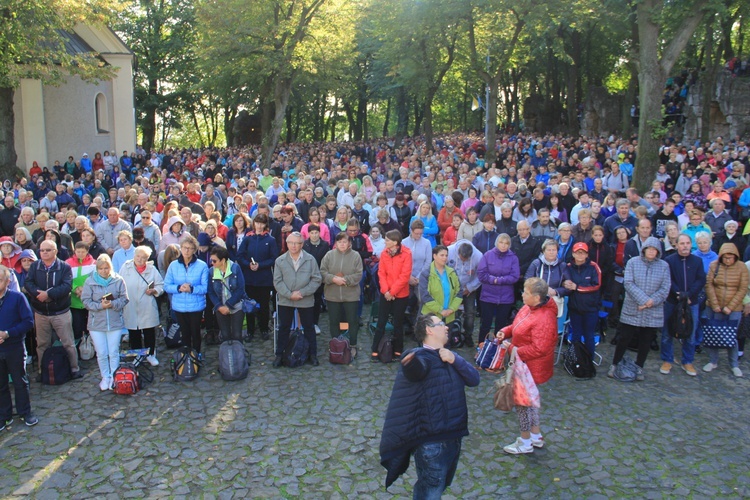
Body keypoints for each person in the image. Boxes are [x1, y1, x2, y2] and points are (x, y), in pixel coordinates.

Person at [379, 313, 480, 497]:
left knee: (437, 487)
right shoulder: (420, 356)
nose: (447, 327)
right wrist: (410, 362)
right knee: (431, 491)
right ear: (429, 330)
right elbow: (416, 369)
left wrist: (455, 359)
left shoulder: (451, 356)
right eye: (441, 324)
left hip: (454, 436)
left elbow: (474, 379)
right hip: (432, 444)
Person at [496, 277, 557, 454]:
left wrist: (513, 348)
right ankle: (536, 436)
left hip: (529, 368)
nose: (522, 294)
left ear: (537, 298)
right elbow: (518, 326)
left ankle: (524, 441)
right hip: (525, 365)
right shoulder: (529, 307)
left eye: (526, 292)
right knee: (530, 402)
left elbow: (540, 348)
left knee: (522, 403)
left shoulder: (544, 318)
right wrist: (505, 331)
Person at [608, 237, 670, 381]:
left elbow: (665, 288)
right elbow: (628, 283)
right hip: (633, 306)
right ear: (644, 249)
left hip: (652, 309)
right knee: (624, 338)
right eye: (649, 249)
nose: (651, 252)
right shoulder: (633, 262)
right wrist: (643, 300)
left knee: (646, 340)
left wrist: (650, 302)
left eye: (655, 250)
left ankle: (639, 366)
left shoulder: (664, 266)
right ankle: (615, 364)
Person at [25, 240, 84, 381]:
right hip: (41, 312)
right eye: (42, 250)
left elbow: (66, 286)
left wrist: (49, 294)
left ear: (55, 251)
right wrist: (38, 294)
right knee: (42, 344)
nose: (44, 253)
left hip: (60, 312)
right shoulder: (34, 266)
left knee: (68, 342)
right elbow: (28, 283)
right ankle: (42, 370)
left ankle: (74, 369)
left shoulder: (64, 267)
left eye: (48, 250)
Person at [273, 232, 323, 366]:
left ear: (302, 244)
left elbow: (316, 279)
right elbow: (277, 282)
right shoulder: (280, 260)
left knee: (309, 327)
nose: (294, 246)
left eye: (297, 243)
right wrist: (290, 294)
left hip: (305, 299)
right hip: (286, 299)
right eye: (291, 243)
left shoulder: (310, 259)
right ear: (287, 244)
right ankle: (280, 354)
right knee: (284, 327)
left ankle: (312, 354)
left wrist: (302, 293)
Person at [81, 254, 129, 391]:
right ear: (97, 269)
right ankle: (105, 376)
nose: (104, 271)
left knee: (113, 351)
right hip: (97, 324)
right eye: (101, 268)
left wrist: (112, 304)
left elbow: (124, 299)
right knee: (101, 352)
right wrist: (100, 306)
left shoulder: (118, 280)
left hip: (114, 322)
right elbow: (86, 301)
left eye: (106, 268)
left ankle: (115, 375)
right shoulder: (90, 282)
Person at [660, 234, 706, 377]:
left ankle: (687, 361)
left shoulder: (697, 261)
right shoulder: (669, 260)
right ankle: (667, 359)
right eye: (682, 243)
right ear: (676, 245)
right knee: (667, 332)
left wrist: (689, 295)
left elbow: (700, 280)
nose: (685, 246)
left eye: (687, 243)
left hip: (692, 302)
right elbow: (668, 279)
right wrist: (679, 294)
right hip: (673, 301)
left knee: (690, 333)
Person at [0, 265, 37, 429]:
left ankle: (25, 412)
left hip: (14, 346)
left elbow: (28, 322)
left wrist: (8, 333)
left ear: (7, 281)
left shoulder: (17, 297)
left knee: (20, 381)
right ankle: (4, 416)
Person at [703, 243, 748, 377]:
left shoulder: (742, 268)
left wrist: (730, 307)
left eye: (731, 257)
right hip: (714, 306)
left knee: (731, 336)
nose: (728, 260)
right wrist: (715, 304)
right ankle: (713, 361)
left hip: (733, 307)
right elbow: (709, 285)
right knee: (713, 334)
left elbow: (742, 289)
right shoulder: (714, 265)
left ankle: (734, 364)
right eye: (725, 257)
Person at [164, 235, 210, 355]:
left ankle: (196, 355)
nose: (186, 251)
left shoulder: (202, 265)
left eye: (190, 248)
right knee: (184, 333)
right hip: (179, 306)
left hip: (196, 306)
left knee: (195, 332)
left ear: (194, 250)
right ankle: (186, 357)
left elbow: (205, 288)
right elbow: (167, 285)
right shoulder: (173, 266)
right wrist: (178, 288)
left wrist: (192, 289)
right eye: (184, 248)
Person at [120, 245, 164, 367]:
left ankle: (150, 354)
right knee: (134, 332)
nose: (140, 259)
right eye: (138, 256)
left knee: (149, 330)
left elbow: (160, 285)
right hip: (131, 304)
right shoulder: (126, 267)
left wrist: (154, 291)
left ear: (147, 259)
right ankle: (138, 354)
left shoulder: (152, 269)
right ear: (134, 256)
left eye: (143, 257)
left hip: (147, 304)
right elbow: (119, 283)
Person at [372, 230, 412, 362]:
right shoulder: (384, 253)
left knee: (398, 323)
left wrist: (392, 292)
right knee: (381, 322)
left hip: (400, 294)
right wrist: (386, 291)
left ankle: (397, 350)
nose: (385, 242)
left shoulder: (407, 254)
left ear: (395, 242)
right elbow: (381, 273)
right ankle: (375, 349)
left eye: (388, 240)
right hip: (386, 292)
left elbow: (404, 276)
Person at [237, 213, 278, 341]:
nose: (259, 226)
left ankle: (264, 329)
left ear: (265, 225)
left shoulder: (270, 240)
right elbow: (240, 256)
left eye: (262, 223)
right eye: (257, 223)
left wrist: (260, 265)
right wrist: (248, 264)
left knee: (264, 306)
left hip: (264, 279)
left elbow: (273, 258)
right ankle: (250, 330)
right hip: (249, 278)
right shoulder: (248, 238)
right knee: (249, 306)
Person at [321, 232, 363, 351]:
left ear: (349, 243)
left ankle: (353, 345)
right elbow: (322, 272)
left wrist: (344, 280)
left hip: (351, 296)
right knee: (334, 321)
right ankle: (336, 345)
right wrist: (333, 279)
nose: (342, 244)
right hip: (332, 295)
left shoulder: (355, 256)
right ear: (336, 243)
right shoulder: (329, 255)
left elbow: (358, 274)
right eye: (339, 242)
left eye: (345, 241)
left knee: (352, 321)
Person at [477, 233, 520, 344]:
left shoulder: (513, 258)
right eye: (501, 242)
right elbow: (481, 274)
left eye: (506, 243)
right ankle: (481, 347)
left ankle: (497, 349)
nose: (503, 245)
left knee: (501, 325)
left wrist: (499, 280)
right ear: (496, 243)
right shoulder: (487, 255)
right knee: (485, 324)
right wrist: (492, 280)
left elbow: (515, 276)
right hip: (488, 296)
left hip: (505, 297)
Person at [563, 242, 602, 358]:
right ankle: (573, 358)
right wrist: (564, 283)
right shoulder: (568, 267)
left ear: (586, 254)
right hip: (574, 307)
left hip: (590, 308)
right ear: (573, 254)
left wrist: (578, 288)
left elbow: (597, 285)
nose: (580, 255)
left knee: (589, 335)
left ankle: (589, 360)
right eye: (577, 252)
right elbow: (562, 280)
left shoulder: (594, 266)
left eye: (583, 253)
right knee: (575, 335)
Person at [207, 246, 246, 345]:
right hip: (220, 307)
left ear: (223, 260)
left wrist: (228, 305)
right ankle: (228, 358)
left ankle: (239, 357)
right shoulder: (211, 271)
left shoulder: (235, 268)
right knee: (225, 335)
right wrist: (219, 306)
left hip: (236, 306)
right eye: (212, 260)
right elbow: (210, 292)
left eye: (215, 261)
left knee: (237, 335)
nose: (212, 263)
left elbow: (240, 289)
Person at [447, 240, 482, 347]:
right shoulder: (449, 251)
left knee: (470, 313)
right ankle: (450, 335)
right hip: (451, 287)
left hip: (468, 287)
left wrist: (471, 287)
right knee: (450, 312)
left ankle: (468, 335)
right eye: (462, 259)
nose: (464, 260)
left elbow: (481, 275)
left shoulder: (479, 256)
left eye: (466, 260)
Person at [419, 245, 462, 325]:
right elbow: (425, 296)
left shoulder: (452, 272)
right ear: (434, 256)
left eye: (446, 255)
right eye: (442, 255)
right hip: (431, 317)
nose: (445, 258)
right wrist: (440, 310)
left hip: (449, 317)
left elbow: (459, 292)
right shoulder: (426, 274)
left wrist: (451, 309)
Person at [302, 224, 330, 333]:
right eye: (312, 233)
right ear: (308, 234)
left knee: (317, 301)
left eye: (316, 233)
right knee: (306, 301)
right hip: (306, 276)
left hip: (319, 276)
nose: (314, 235)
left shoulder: (325, 245)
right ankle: (305, 323)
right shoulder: (304, 245)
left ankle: (314, 323)